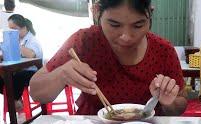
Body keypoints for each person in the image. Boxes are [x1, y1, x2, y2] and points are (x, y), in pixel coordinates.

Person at [30, 0, 187, 116]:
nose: (126, 37)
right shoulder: (84, 41)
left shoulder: (163, 50)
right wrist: (61, 75)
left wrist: (169, 102)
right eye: (114, 25)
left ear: (150, 14)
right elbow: (36, 92)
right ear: (97, 12)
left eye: (138, 25)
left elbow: (181, 104)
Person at [0, 14, 43, 111]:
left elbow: (32, 54)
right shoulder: (19, 40)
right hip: (18, 70)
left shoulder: (32, 40)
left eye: (13, 29)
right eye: (10, 29)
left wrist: (14, 43)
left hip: (33, 72)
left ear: (24, 28)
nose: (11, 32)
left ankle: (14, 101)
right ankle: (15, 99)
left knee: (18, 77)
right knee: (3, 79)